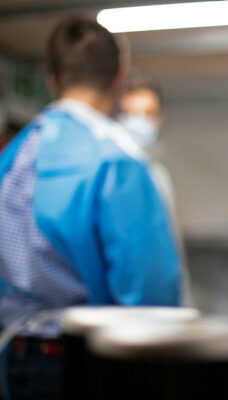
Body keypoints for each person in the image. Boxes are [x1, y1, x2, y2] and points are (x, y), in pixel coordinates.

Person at [0, 18, 181, 325]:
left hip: (13, 351)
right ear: (119, 79)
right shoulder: (119, 162)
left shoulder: (11, 157)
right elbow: (150, 297)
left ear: (52, 81)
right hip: (90, 358)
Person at [118, 73, 192, 305]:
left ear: (160, 118)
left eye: (149, 114)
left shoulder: (159, 175)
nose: (141, 122)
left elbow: (172, 248)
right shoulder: (112, 176)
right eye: (132, 114)